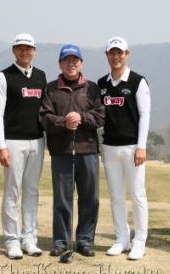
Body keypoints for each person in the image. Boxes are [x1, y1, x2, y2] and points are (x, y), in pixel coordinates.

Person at [39, 44, 105, 258]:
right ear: (60, 63)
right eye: (66, 60)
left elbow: (100, 116)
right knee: (62, 200)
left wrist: (82, 117)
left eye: (75, 60)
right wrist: (63, 123)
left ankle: (84, 241)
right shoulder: (50, 88)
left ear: (81, 63)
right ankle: (61, 241)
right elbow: (44, 118)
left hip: (88, 151)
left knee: (90, 199)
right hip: (61, 152)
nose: (71, 63)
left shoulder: (92, 87)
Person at [0, 33, 47, 259]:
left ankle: (29, 238)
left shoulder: (41, 76)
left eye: (28, 48)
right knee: (12, 192)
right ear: (14, 50)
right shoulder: (4, 76)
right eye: (20, 48)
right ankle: (12, 240)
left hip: (37, 140)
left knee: (32, 191)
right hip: (13, 141)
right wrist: (1, 146)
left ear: (34, 51)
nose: (24, 52)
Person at [98, 37, 150, 260]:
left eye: (120, 52)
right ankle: (122, 239)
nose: (116, 57)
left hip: (132, 148)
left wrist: (141, 146)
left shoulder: (138, 81)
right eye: (112, 53)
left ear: (127, 54)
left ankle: (139, 242)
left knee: (138, 195)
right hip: (109, 147)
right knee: (116, 196)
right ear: (107, 55)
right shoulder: (101, 84)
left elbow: (145, 114)